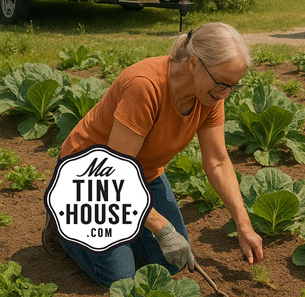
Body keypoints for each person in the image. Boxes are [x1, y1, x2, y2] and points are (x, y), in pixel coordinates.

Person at [50, 22, 264, 287]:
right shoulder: (145, 86)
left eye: (233, 86)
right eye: (222, 83)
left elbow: (218, 161)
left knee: (170, 263)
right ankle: (63, 223)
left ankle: (127, 229)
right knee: (119, 276)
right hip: (93, 180)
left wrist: (244, 226)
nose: (226, 94)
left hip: (143, 175)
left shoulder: (211, 96)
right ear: (195, 63)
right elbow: (114, 174)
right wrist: (161, 228)